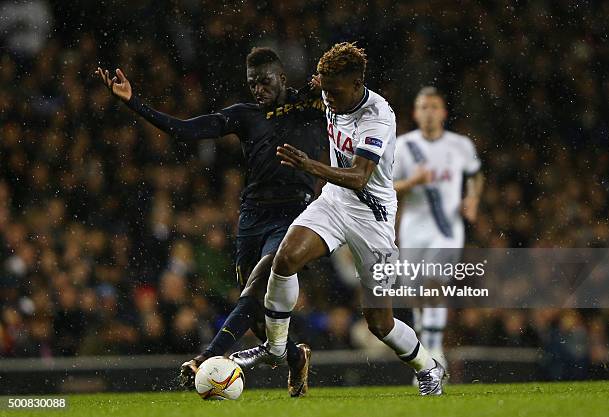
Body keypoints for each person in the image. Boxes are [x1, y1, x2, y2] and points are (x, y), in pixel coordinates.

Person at [95, 46, 327, 397]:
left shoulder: (310, 104)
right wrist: (133, 102)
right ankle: (295, 358)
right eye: (252, 84)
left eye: (264, 82)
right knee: (260, 317)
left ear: (282, 78)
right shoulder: (245, 115)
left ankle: (206, 357)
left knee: (254, 292)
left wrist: (326, 86)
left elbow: (349, 92)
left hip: (293, 215)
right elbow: (186, 130)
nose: (258, 90)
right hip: (252, 218)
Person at [230, 42, 446, 396]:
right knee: (284, 261)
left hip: (372, 217)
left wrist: (309, 165)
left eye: (334, 90)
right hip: (334, 201)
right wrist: (320, 85)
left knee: (380, 324)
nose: (327, 97)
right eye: (325, 88)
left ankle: (428, 367)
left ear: (357, 83)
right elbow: (321, 85)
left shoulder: (378, 116)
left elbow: (360, 176)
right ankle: (275, 348)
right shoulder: (331, 89)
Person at [393, 87, 484, 368]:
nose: (429, 112)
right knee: (415, 294)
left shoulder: (460, 145)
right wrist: (411, 183)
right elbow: (385, 187)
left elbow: (476, 176)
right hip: (413, 227)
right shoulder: (402, 146)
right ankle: (426, 344)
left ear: (443, 112)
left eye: (434, 107)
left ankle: (432, 351)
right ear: (415, 113)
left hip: (446, 228)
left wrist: (472, 198)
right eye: (423, 107)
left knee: (434, 283)